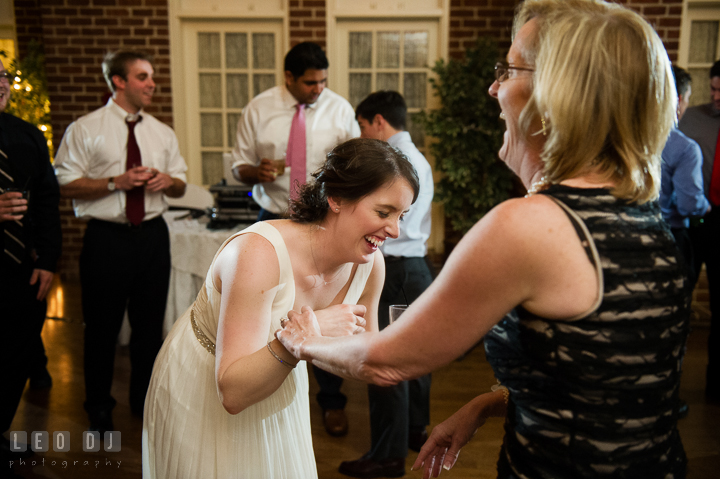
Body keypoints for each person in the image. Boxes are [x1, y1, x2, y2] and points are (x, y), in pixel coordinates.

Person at [278, 1, 690, 478]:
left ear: (557, 92)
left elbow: (385, 362)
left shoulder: (527, 226)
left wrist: (306, 341)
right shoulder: (641, 211)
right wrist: (489, 403)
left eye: (508, 69)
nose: (493, 87)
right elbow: (600, 378)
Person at [142, 138, 419, 479]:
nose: (395, 230)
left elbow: (360, 357)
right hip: (207, 382)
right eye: (383, 212)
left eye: (402, 216)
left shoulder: (370, 265)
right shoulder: (258, 254)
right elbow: (233, 393)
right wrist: (305, 336)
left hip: (280, 381)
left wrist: (392, 360)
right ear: (336, 198)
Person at [54, 50, 188, 434]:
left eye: (151, 77)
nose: (152, 84)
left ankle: (143, 401)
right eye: (143, 77)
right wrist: (116, 182)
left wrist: (167, 180)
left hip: (152, 236)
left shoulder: (161, 132)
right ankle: (98, 407)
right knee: (101, 328)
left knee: (149, 328)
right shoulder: (85, 128)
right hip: (106, 239)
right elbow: (64, 183)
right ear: (119, 81)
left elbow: (180, 182)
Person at [232, 41, 360, 436]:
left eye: (323, 81)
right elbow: (238, 165)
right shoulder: (258, 108)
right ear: (288, 77)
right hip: (271, 216)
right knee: (268, 309)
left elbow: (358, 165)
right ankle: (262, 386)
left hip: (322, 223)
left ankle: (331, 401)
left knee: (323, 308)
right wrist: (257, 171)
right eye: (309, 83)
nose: (318, 89)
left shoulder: (339, 109)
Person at [338, 90, 434, 478]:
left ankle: (387, 455)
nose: (363, 134)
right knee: (417, 357)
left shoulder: (395, 163)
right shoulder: (418, 158)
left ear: (379, 121)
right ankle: (413, 430)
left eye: (363, 126)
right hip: (415, 268)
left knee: (383, 359)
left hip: (394, 269)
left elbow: (388, 229)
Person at [0, 58, 62, 475]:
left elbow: (46, 199)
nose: (0, 85)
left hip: (21, 270)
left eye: (1, 77)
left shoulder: (25, 135)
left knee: (16, 355)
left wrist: (49, 259)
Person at [678, 59, 720, 402]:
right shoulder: (692, 118)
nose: (716, 96)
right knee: (678, 299)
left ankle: (715, 388)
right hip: (694, 221)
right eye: (714, 89)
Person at [661, 65, 711, 286]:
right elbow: (688, 205)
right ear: (679, 99)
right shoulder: (684, 148)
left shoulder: (628, 140)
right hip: (671, 237)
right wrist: (705, 207)